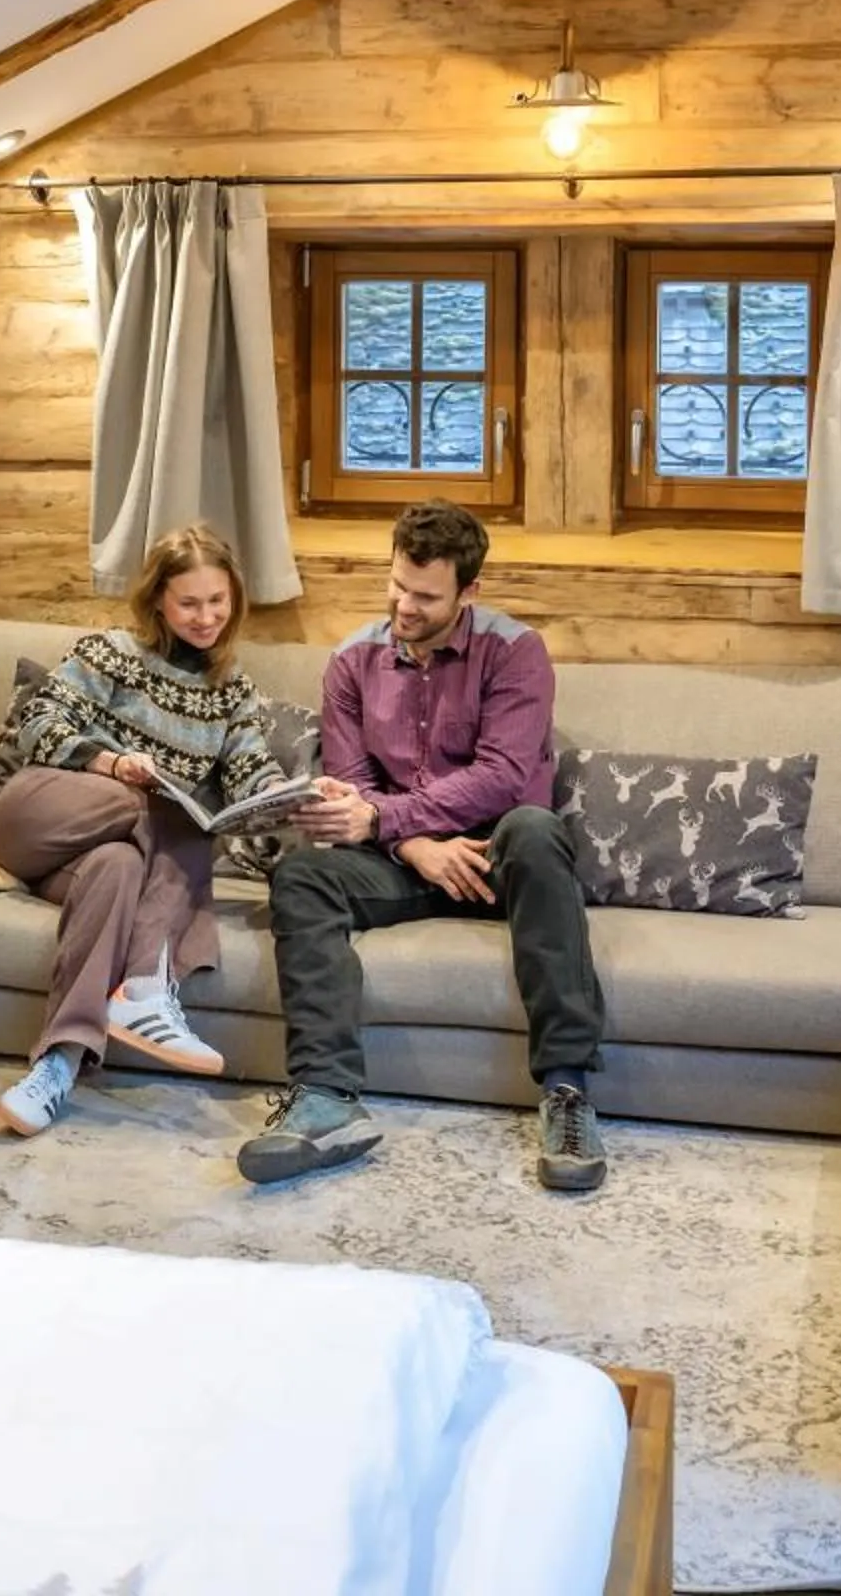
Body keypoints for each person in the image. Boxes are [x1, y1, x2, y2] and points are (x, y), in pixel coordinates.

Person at [242, 500, 609, 1192]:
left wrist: (388, 823)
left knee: (535, 829)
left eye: (426, 596)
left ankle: (567, 1094)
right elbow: (352, 786)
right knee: (303, 873)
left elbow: (502, 779)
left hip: (499, 859)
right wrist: (412, 846)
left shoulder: (516, 652)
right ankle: (325, 1097)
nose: (404, 607)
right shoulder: (352, 662)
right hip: (405, 864)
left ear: (469, 592)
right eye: (397, 586)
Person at [0, 525, 287, 1136]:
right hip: (37, 818)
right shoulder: (111, 654)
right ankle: (149, 982)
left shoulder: (233, 694)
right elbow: (37, 722)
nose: (207, 618)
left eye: (218, 601)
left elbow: (256, 772)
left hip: (98, 859)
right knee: (173, 806)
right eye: (190, 603)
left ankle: (56, 1068)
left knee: (120, 866)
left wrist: (296, 796)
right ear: (158, 603)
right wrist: (115, 765)